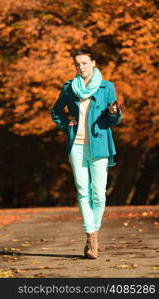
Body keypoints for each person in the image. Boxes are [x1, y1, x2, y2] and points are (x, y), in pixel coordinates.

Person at [50, 48, 122, 259]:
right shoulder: (69, 88)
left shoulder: (106, 87)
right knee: (83, 191)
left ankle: (94, 230)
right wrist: (65, 123)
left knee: (99, 193)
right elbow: (55, 111)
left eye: (84, 63)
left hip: (99, 143)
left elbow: (113, 120)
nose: (80, 67)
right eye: (77, 64)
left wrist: (114, 113)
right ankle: (91, 236)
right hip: (77, 145)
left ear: (93, 63)